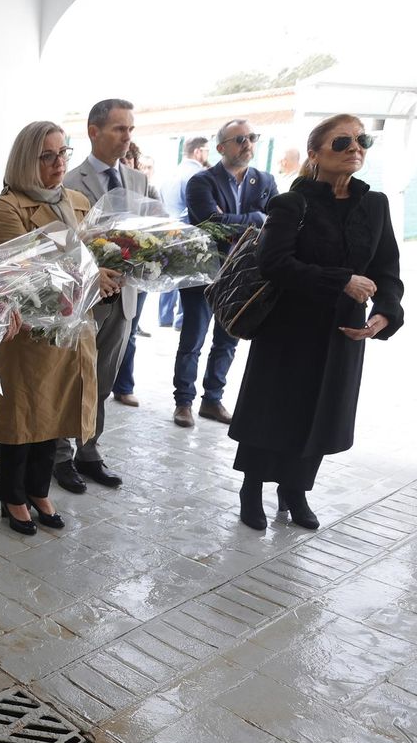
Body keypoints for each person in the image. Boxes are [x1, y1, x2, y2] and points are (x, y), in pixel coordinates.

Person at [230, 114, 403, 530]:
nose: (355, 148)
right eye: (342, 143)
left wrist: (386, 312)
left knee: (322, 412)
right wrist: (340, 280)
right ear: (315, 154)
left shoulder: (375, 204)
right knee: (274, 409)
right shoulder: (293, 203)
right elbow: (273, 264)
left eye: (361, 141)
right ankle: (252, 487)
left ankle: (294, 489)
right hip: (289, 327)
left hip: (344, 329)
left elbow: (387, 266)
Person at [0, 121, 101, 534]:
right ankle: (12, 497)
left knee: (53, 416)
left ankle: (38, 489)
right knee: (22, 418)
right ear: (25, 161)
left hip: (72, 331)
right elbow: (25, 273)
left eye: (62, 152)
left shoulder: (78, 201)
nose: (57, 163)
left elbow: (96, 254)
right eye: (46, 156)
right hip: (29, 332)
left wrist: (109, 270)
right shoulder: (8, 207)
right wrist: (89, 277)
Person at [56, 98, 155, 493]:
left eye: (130, 129)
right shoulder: (67, 181)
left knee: (104, 377)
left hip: (124, 299)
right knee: (71, 377)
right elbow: (62, 245)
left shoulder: (139, 180)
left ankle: (89, 449)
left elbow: (152, 232)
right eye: (119, 128)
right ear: (93, 132)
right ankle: (60, 454)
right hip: (81, 300)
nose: (127, 136)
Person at [179, 119, 278, 428]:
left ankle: (212, 400)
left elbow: (275, 222)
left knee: (228, 340)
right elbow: (210, 222)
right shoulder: (201, 181)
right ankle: (184, 402)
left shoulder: (265, 181)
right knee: (193, 339)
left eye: (251, 137)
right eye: (239, 139)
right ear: (221, 147)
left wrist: (244, 220)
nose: (247, 143)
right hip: (204, 271)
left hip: (244, 276)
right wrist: (255, 218)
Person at [112, 139, 152, 406]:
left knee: (129, 333)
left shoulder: (142, 183)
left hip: (134, 277)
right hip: (95, 283)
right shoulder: (74, 179)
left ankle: (124, 385)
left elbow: (156, 223)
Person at [156, 136, 209, 329]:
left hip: (167, 231)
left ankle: (164, 316)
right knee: (186, 280)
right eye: (206, 150)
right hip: (188, 232)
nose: (207, 155)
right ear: (198, 151)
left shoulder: (172, 172)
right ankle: (180, 320)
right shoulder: (198, 176)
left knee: (168, 275)